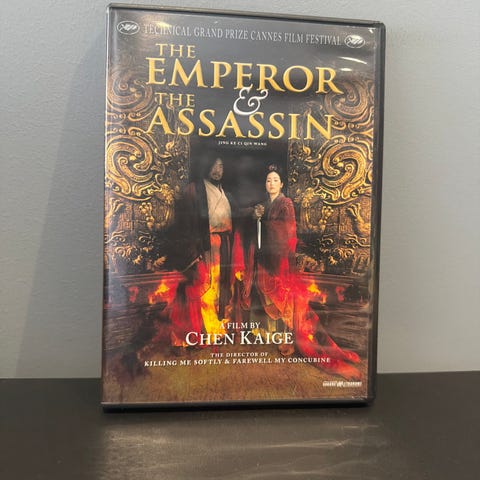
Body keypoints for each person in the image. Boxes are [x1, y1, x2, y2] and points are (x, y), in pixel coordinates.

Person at [246, 164, 361, 380]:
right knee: (275, 300)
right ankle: (281, 337)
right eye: (268, 180)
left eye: (275, 180)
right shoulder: (265, 204)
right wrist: (255, 217)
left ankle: (293, 340)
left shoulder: (286, 204)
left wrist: (265, 221)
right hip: (266, 258)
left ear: (282, 184)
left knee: (287, 301)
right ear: (265, 184)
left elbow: (287, 232)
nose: (271, 183)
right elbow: (256, 230)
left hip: (280, 260)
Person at [168, 156, 238, 347]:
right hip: (206, 245)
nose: (217, 170)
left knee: (221, 288)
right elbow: (185, 223)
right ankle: (201, 332)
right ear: (206, 166)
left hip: (224, 245)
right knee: (205, 288)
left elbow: (237, 215)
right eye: (213, 165)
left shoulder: (225, 193)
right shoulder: (194, 189)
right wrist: (193, 249)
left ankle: (216, 330)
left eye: (220, 166)